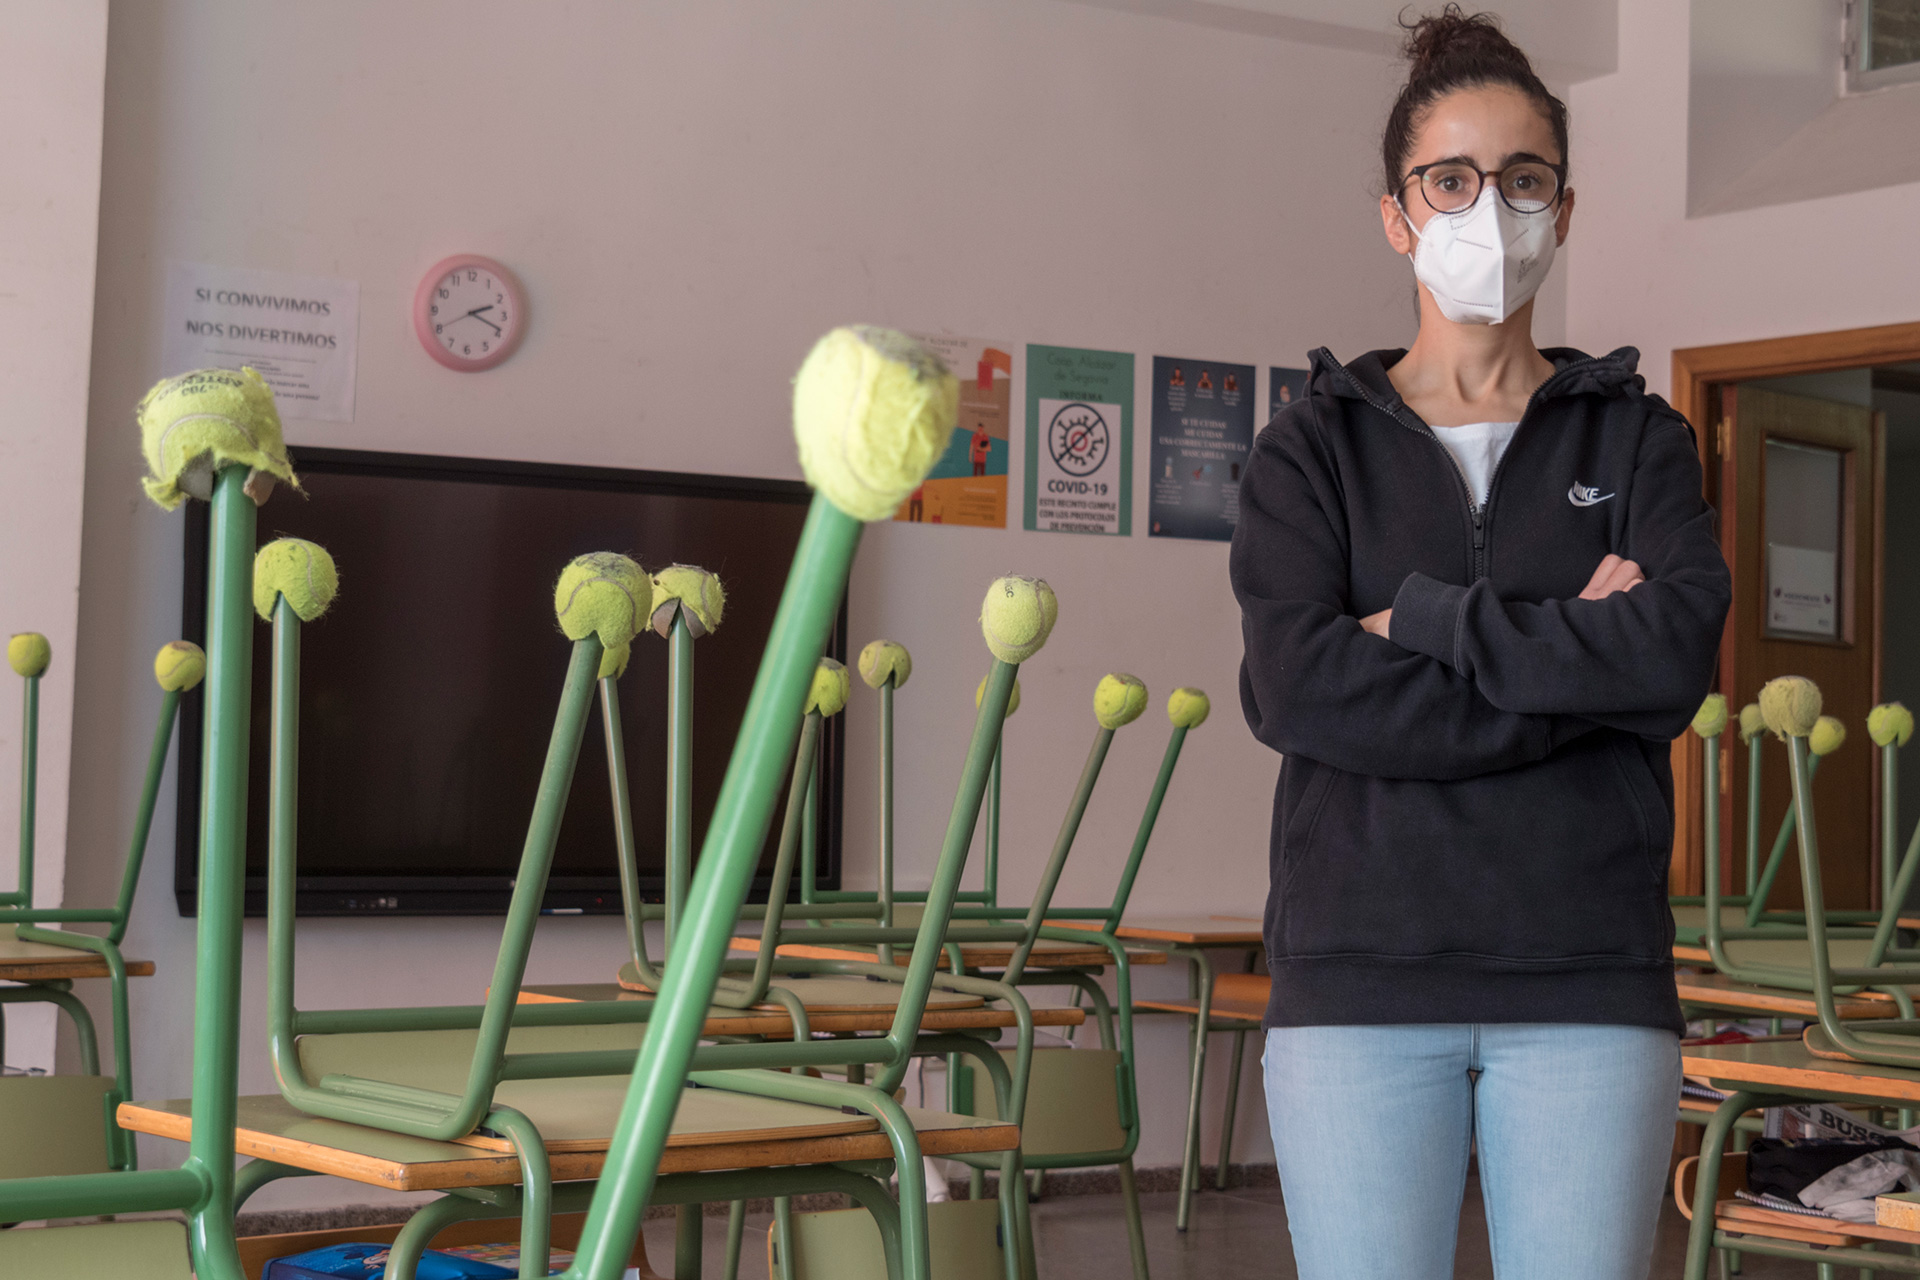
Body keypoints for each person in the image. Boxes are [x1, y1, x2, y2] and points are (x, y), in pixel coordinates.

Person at [1228, 9, 1730, 1279]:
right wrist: (1579, 669)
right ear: (1396, 215)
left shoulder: (1637, 439)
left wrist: (1428, 621)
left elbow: (1672, 658)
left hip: (1588, 983)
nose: (1488, 210)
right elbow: (1299, 688)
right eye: (1449, 180)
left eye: (1523, 179)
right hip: (1357, 984)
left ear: (1564, 209)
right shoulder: (1312, 449)